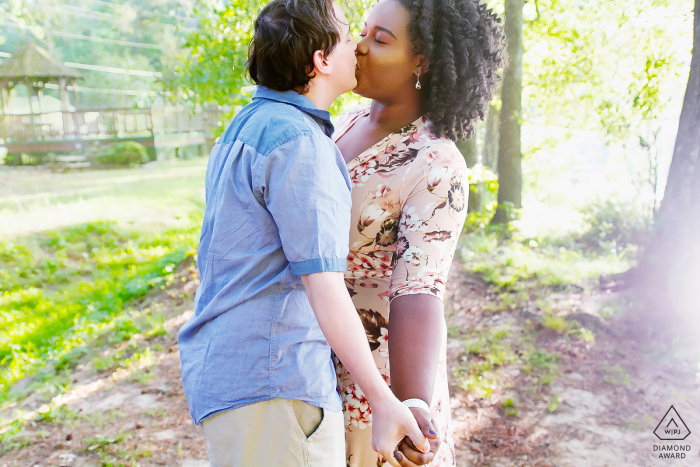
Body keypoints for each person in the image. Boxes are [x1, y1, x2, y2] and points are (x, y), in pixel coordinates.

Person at [177, 1, 430, 466]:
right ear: (320, 60)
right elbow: (325, 286)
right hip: (275, 382)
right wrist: (383, 398)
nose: (358, 45)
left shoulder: (245, 127)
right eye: (347, 35)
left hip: (231, 376)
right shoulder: (301, 145)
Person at [332, 0, 505, 465]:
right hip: (307, 362)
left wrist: (411, 403)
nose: (359, 47)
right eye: (362, 32)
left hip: (374, 393)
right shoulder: (344, 120)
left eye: (380, 39)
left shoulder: (435, 162)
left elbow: (419, 291)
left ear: (421, 63)